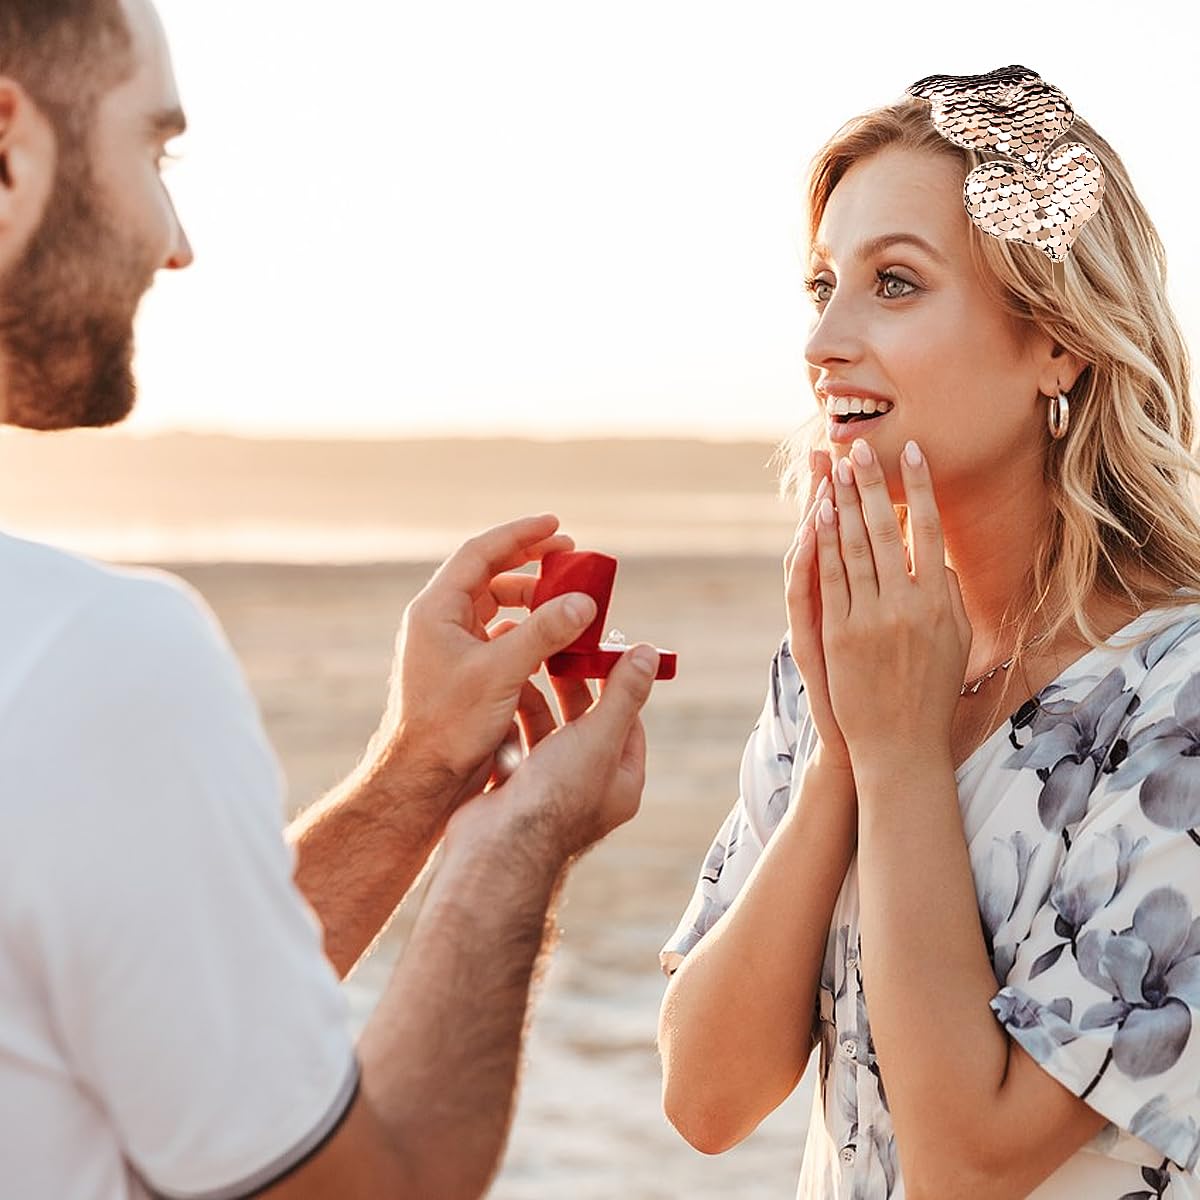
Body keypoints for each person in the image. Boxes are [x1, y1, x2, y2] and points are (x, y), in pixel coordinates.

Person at [0, 1, 661, 1197]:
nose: (176, 238)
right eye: (156, 151)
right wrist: (515, 842)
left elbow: (179, 1014)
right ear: (8, 149)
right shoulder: (92, 655)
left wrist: (417, 777)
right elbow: (374, 1186)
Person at [658, 66, 1200, 1199]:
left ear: (1060, 341)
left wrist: (901, 753)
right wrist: (846, 755)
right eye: (821, 286)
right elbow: (707, 1097)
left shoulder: (1178, 701)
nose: (823, 343)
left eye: (894, 284)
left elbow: (970, 1161)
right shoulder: (850, 655)